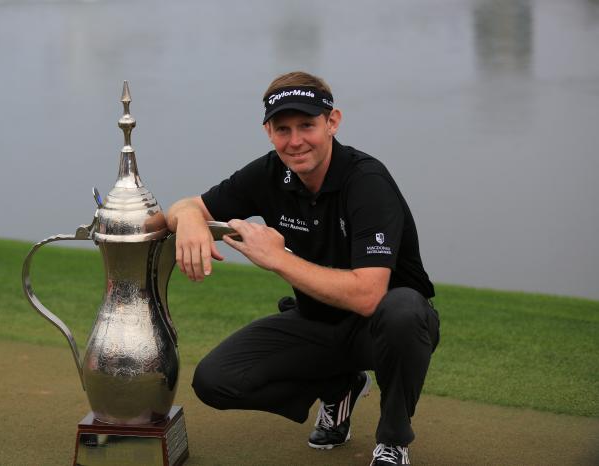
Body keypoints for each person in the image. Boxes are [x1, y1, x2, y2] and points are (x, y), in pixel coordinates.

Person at [166, 71, 440, 466]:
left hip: (384, 328)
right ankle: (339, 386)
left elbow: (369, 295)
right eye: (283, 129)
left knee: (403, 312)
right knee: (215, 380)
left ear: (333, 122)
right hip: (318, 323)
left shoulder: (367, 181)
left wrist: (277, 258)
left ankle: (393, 439)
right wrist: (190, 218)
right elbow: (185, 207)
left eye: (307, 125)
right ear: (268, 131)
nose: (295, 141)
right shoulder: (270, 172)